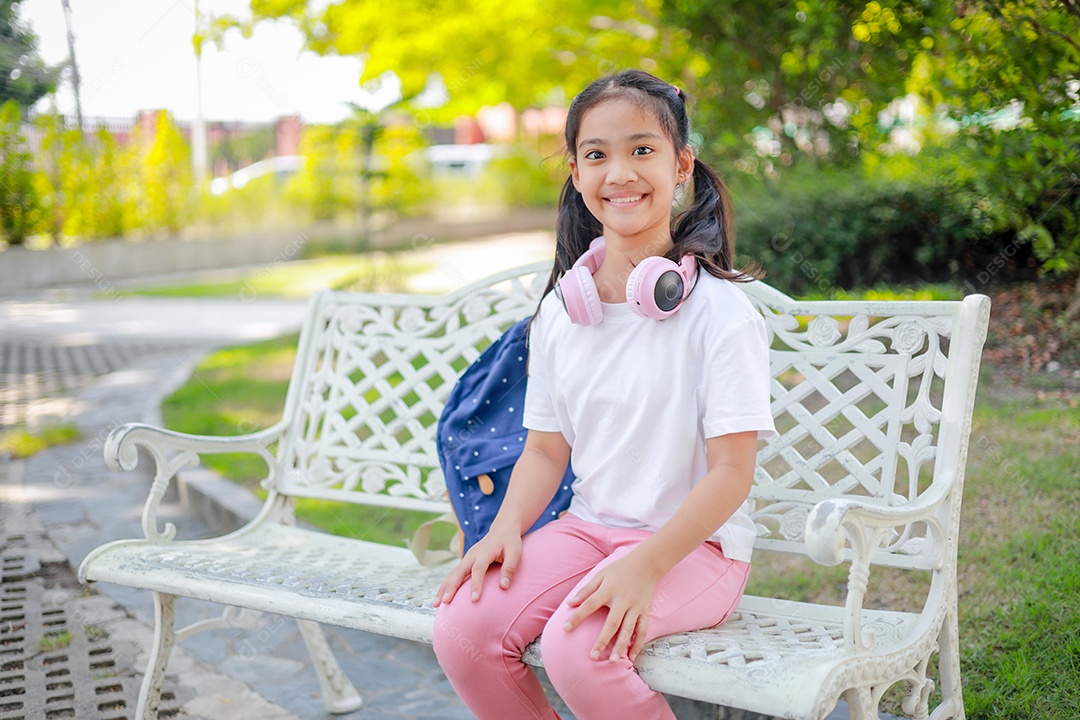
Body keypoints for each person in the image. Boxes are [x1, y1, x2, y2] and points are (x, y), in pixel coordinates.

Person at [431, 69, 776, 720]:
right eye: (597, 155)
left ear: (682, 166)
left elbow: (732, 473)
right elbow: (543, 453)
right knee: (461, 630)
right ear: (576, 174)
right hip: (587, 531)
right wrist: (505, 526)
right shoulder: (564, 313)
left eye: (642, 149)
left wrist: (646, 566)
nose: (620, 172)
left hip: (694, 549)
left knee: (578, 649)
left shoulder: (722, 313)